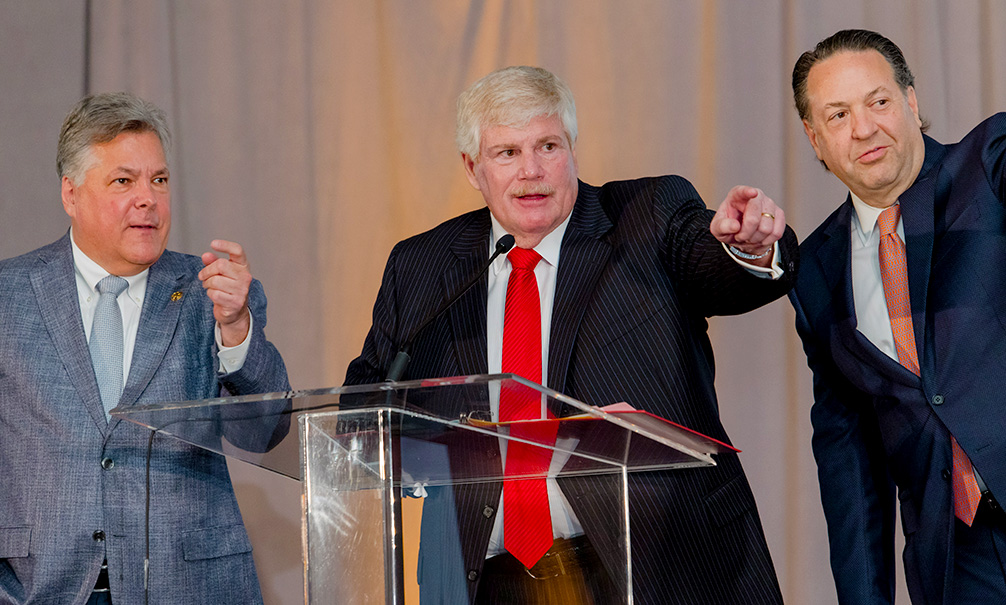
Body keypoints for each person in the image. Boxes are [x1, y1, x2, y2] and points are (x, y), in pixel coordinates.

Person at [345, 65, 798, 604]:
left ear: (573, 148)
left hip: (651, 563)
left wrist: (745, 247)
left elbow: (715, 267)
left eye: (548, 146)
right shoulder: (421, 266)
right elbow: (365, 408)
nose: (531, 171)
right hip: (488, 580)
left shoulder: (645, 217)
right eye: (506, 153)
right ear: (472, 168)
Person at [0, 92, 290, 604]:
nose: (148, 199)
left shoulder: (212, 296)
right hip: (40, 587)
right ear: (71, 194)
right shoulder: (10, 296)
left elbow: (266, 430)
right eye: (123, 181)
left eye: (159, 180)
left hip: (187, 587)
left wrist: (237, 328)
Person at [789, 29, 1006, 603]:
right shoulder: (814, 269)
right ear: (814, 138)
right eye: (837, 115)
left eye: (878, 102)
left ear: (911, 102)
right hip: (957, 559)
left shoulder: (988, 166)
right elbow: (848, 456)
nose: (863, 129)